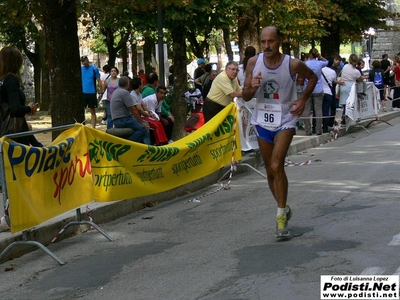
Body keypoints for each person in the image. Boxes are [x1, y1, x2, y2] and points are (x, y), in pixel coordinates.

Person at [242, 26, 317, 239]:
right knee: (269, 170)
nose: (267, 46)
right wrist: (252, 88)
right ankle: (283, 207)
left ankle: (280, 218)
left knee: (277, 165)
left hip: (285, 118)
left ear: (280, 41)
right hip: (262, 120)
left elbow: (312, 78)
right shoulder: (253, 63)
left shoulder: (292, 64)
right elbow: (246, 96)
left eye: (271, 42)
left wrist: (302, 99)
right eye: (263, 42)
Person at [0, 46, 39, 145]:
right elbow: (15, 108)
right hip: (14, 134)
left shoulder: (3, 80)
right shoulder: (11, 80)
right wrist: (28, 108)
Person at [110, 76, 149, 143]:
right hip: (123, 119)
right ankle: (128, 144)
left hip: (118, 119)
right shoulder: (124, 93)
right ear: (128, 84)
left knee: (143, 124)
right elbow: (133, 110)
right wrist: (142, 122)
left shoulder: (117, 91)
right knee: (143, 129)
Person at [302, 48, 328, 135]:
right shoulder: (319, 63)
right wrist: (320, 57)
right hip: (318, 89)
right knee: (318, 110)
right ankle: (318, 130)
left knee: (307, 110)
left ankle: (308, 130)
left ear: (309, 54)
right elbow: (327, 62)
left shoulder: (305, 64)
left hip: (307, 89)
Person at [339, 54, 367, 126]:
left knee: (345, 105)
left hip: (343, 86)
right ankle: (349, 120)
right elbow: (360, 79)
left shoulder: (345, 67)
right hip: (351, 87)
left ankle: (343, 121)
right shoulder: (356, 71)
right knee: (350, 105)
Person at [130, 77, 159, 145]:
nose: (143, 85)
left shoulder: (139, 94)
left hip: (138, 116)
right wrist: (150, 115)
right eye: (142, 83)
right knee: (145, 126)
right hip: (133, 117)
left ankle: (149, 143)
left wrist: (150, 112)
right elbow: (139, 109)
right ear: (139, 85)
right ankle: (145, 143)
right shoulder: (132, 95)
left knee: (149, 124)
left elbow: (144, 105)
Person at [81, 55, 101, 128]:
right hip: (83, 92)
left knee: (92, 111)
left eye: (85, 61)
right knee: (82, 110)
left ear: (87, 60)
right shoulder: (81, 69)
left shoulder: (94, 69)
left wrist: (101, 91)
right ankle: (82, 125)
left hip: (92, 92)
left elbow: (98, 80)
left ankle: (93, 127)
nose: (84, 63)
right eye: (82, 62)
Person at [321, 66, 337, 132]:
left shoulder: (319, 69)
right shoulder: (333, 72)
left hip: (320, 92)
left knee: (317, 111)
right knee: (326, 111)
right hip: (329, 92)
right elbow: (334, 81)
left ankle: (315, 127)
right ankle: (325, 127)